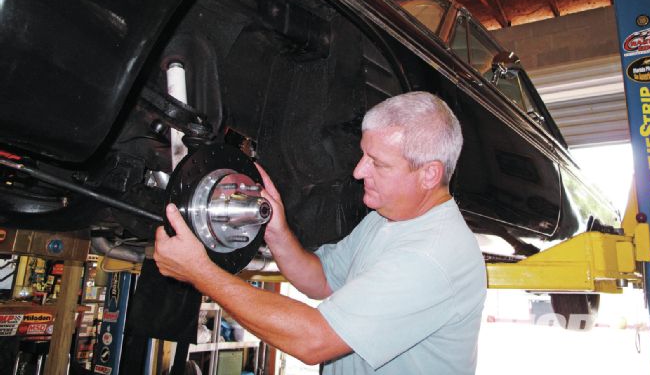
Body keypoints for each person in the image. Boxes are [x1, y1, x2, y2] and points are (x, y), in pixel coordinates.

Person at [154, 91, 487, 374]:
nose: (358, 171)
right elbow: (322, 280)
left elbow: (313, 340)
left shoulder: (432, 257)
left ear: (430, 174)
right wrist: (276, 231)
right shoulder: (389, 218)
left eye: (378, 162)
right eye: (363, 154)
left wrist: (202, 274)